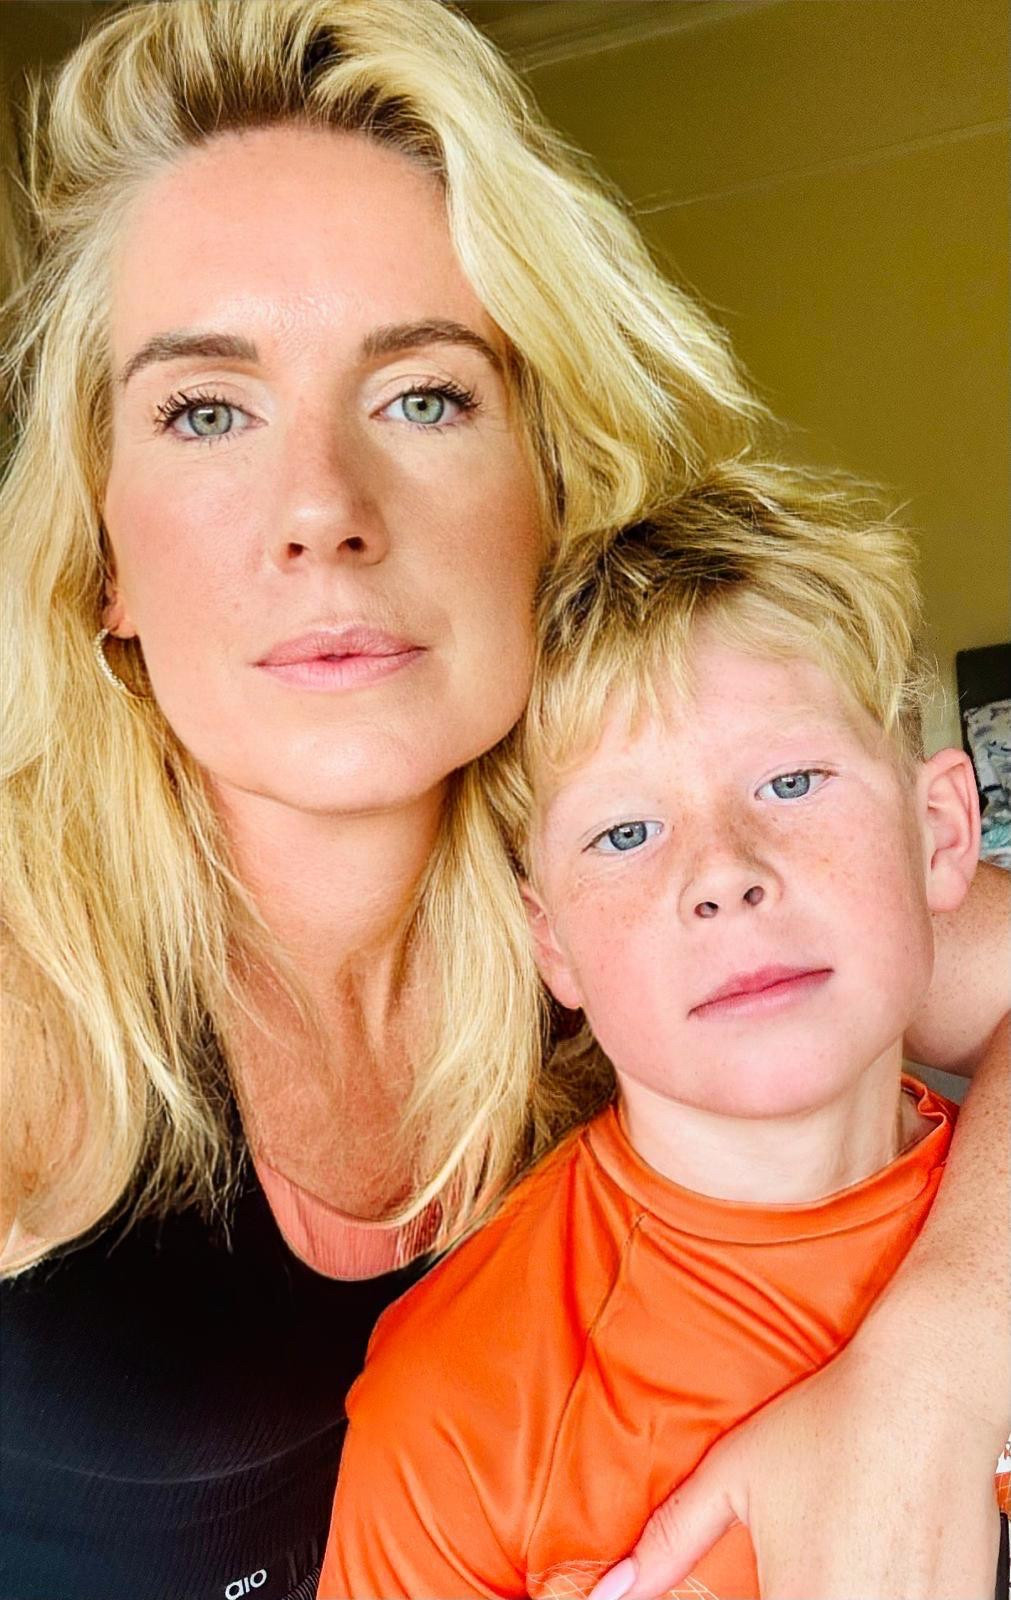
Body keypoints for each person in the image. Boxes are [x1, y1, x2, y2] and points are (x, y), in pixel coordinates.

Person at [0, 3, 1006, 1599]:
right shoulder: (29, 988)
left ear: (548, 485)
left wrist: (934, 1370)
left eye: (423, 396)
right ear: (101, 555)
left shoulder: (640, 893)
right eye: (205, 411)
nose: (321, 511)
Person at [322, 462, 1008, 1600]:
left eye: (791, 780)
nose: (724, 873)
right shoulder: (460, 1408)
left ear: (939, 832)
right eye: (626, 832)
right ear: (552, 945)